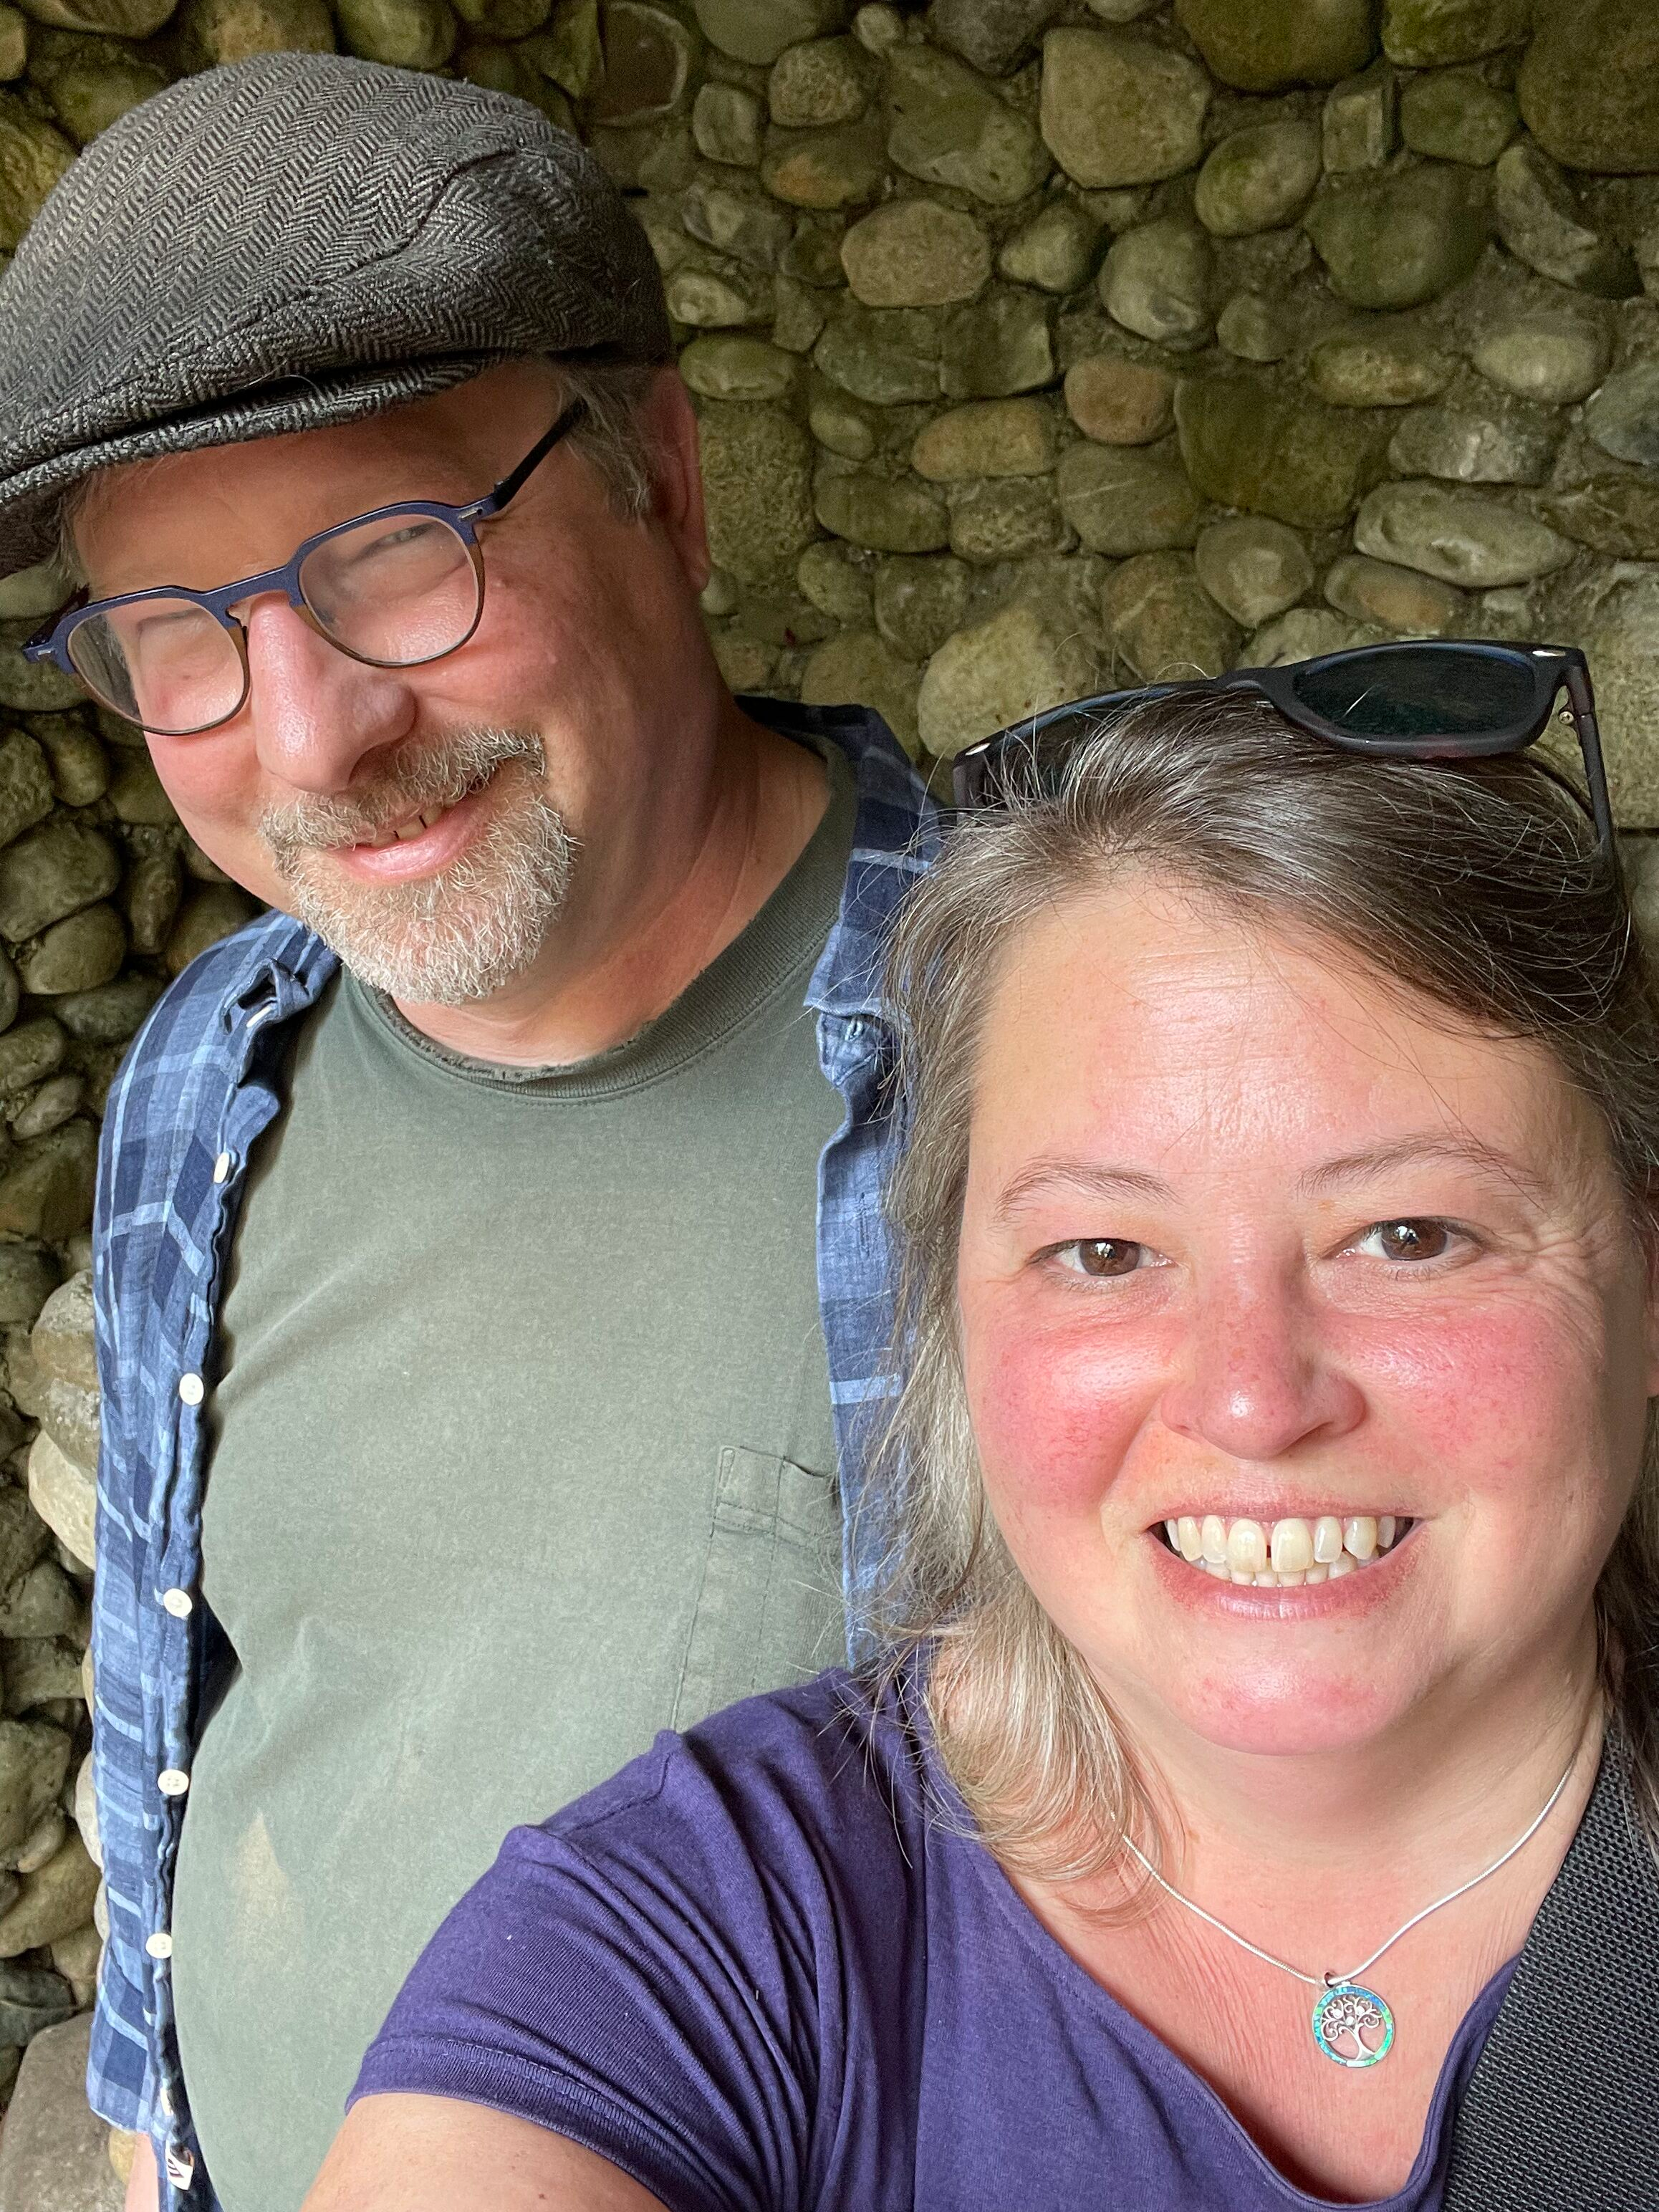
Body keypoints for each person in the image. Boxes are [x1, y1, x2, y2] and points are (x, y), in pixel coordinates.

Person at [305, 659, 1659, 2211]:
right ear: (948, 1305)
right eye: (1102, 1252)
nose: (1252, 1398)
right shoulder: (705, 1932)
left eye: (1411, 1232)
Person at [0, 52, 936, 2212]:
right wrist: (149, 2111)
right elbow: (183, 1672)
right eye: (176, 638)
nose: (314, 735)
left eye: (398, 555)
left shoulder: (1071, 1063)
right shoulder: (213, 1062)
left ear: (668, 489)